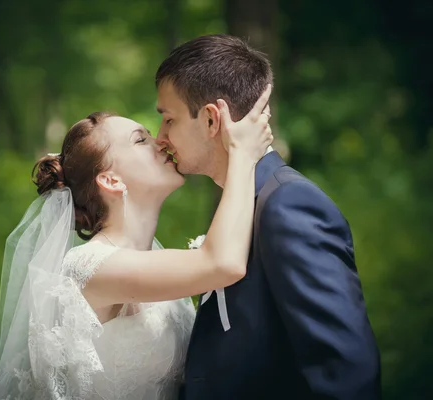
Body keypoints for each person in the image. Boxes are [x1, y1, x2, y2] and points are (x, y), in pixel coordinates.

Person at [0, 86, 273, 399]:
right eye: (141, 140)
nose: (162, 141)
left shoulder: (152, 259)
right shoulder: (89, 267)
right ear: (111, 180)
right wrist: (243, 156)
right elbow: (222, 263)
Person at [155, 34, 381, 399]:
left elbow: (344, 370)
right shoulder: (242, 201)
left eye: (168, 119)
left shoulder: (288, 204)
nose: (160, 136)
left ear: (212, 120)